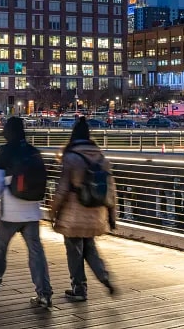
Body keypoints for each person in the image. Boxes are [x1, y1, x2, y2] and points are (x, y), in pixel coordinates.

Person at [0, 117, 53, 308]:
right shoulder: (33, 151)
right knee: (36, 252)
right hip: (32, 212)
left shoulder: (5, 151)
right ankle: (44, 294)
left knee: (0, 247)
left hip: (10, 213)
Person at [50, 116, 117, 302]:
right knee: (91, 249)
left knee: (74, 252)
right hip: (96, 213)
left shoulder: (71, 157)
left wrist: (52, 212)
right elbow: (111, 189)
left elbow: (62, 189)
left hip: (73, 214)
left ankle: (79, 288)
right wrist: (112, 215)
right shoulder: (101, 157)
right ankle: (105, 277)